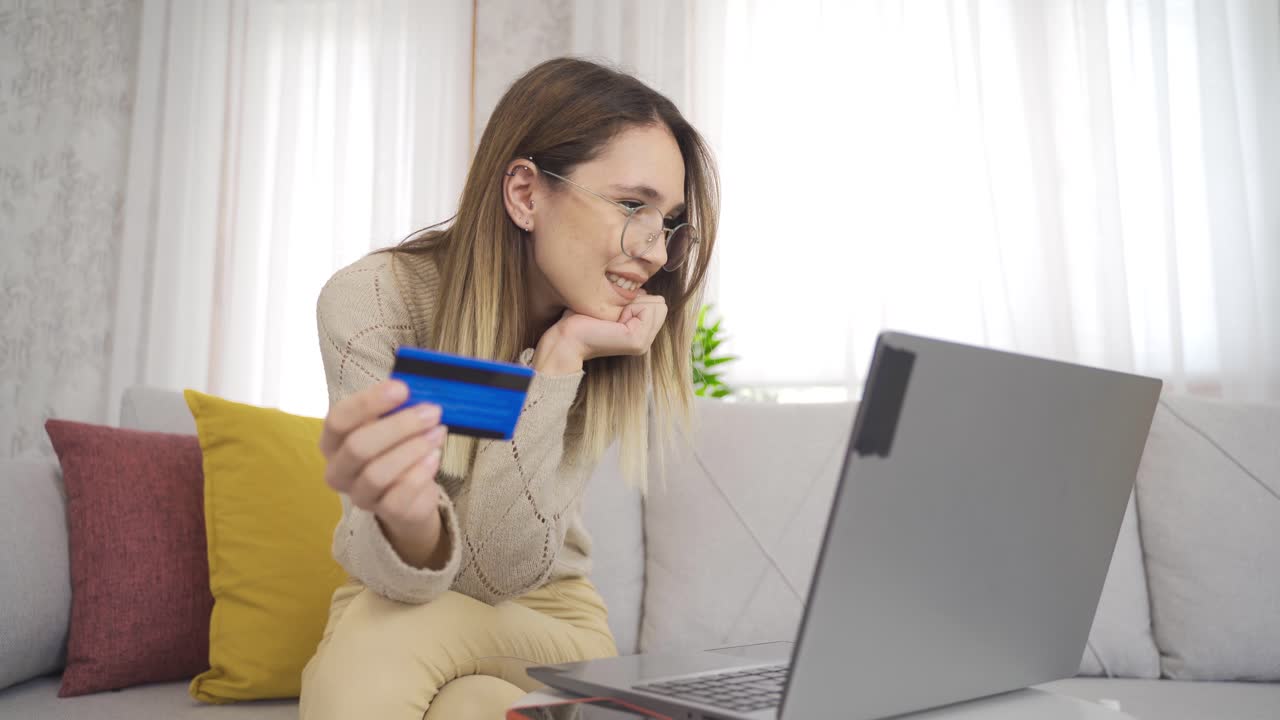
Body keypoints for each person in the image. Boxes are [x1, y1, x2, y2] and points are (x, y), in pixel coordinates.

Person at [299, 57, 719, 719]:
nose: (657, 253)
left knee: (369, 658)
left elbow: (497, 567)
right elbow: (396, 570)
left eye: (667, 221)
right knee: (471, 706)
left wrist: (561, 356)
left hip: (548, 615)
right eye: (632, 205)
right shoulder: (373, 303)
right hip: (396, 595)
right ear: (526, 194)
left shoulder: (604, 332)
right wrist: (410, 522)